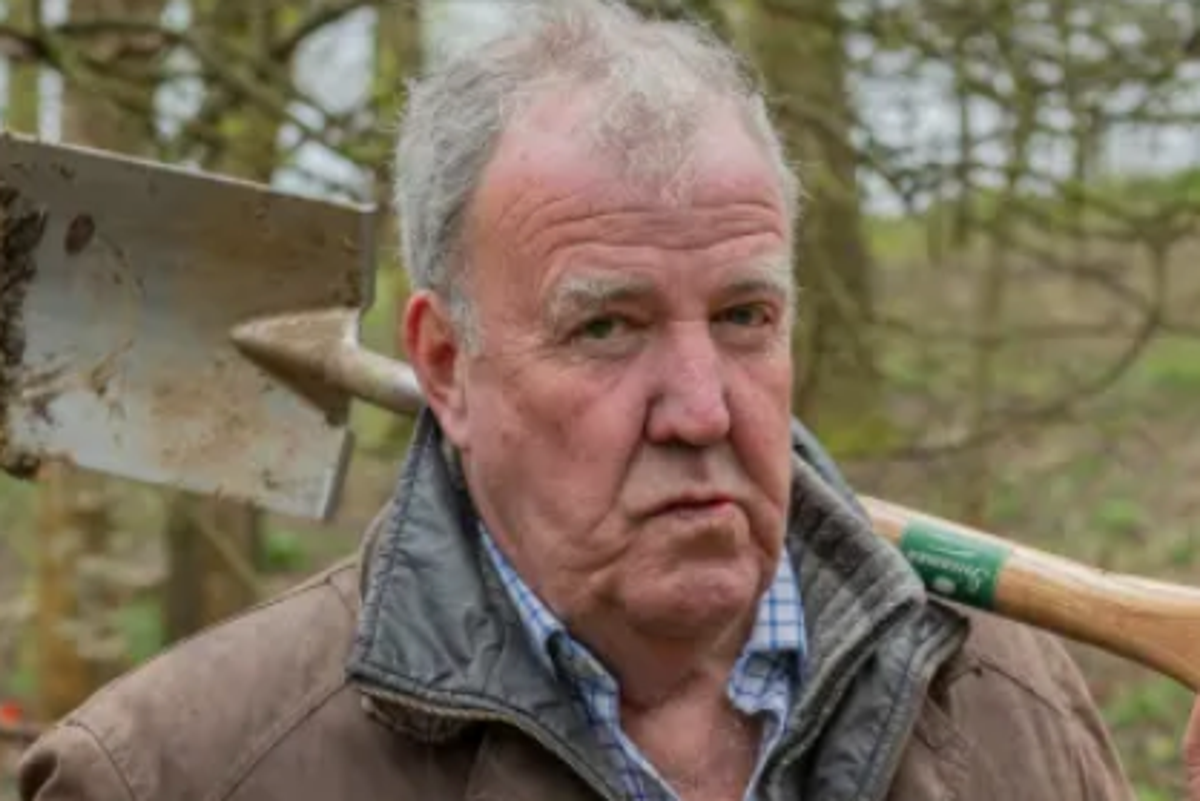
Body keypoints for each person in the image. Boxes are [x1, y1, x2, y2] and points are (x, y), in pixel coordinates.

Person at [17, 2, 1135, 799]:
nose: (702, 409)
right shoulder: (170, 773)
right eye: (607, 327)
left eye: (746, 316)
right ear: (447, 367)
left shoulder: (1011, 706)